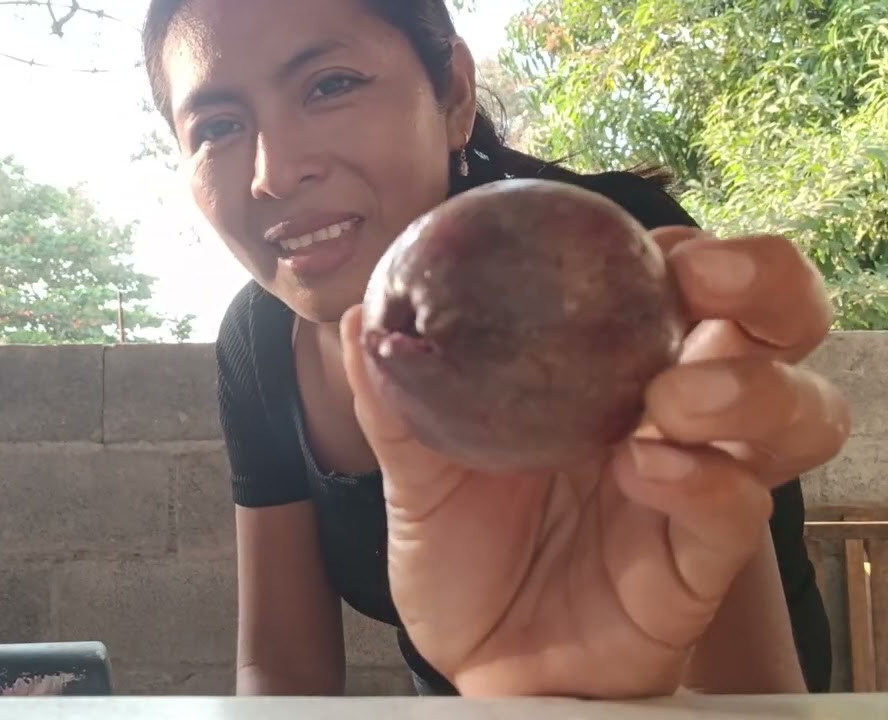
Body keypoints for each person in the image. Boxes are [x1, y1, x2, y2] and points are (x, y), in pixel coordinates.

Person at [140, 0, 850, 699]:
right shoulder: (258, 342)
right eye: (218, 126)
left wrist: (580, 684)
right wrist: (509, 692)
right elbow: (283, 671)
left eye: (330, 85)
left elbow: (749, 686)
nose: (274, 171)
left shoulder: (602, 255)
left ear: (451, 92)